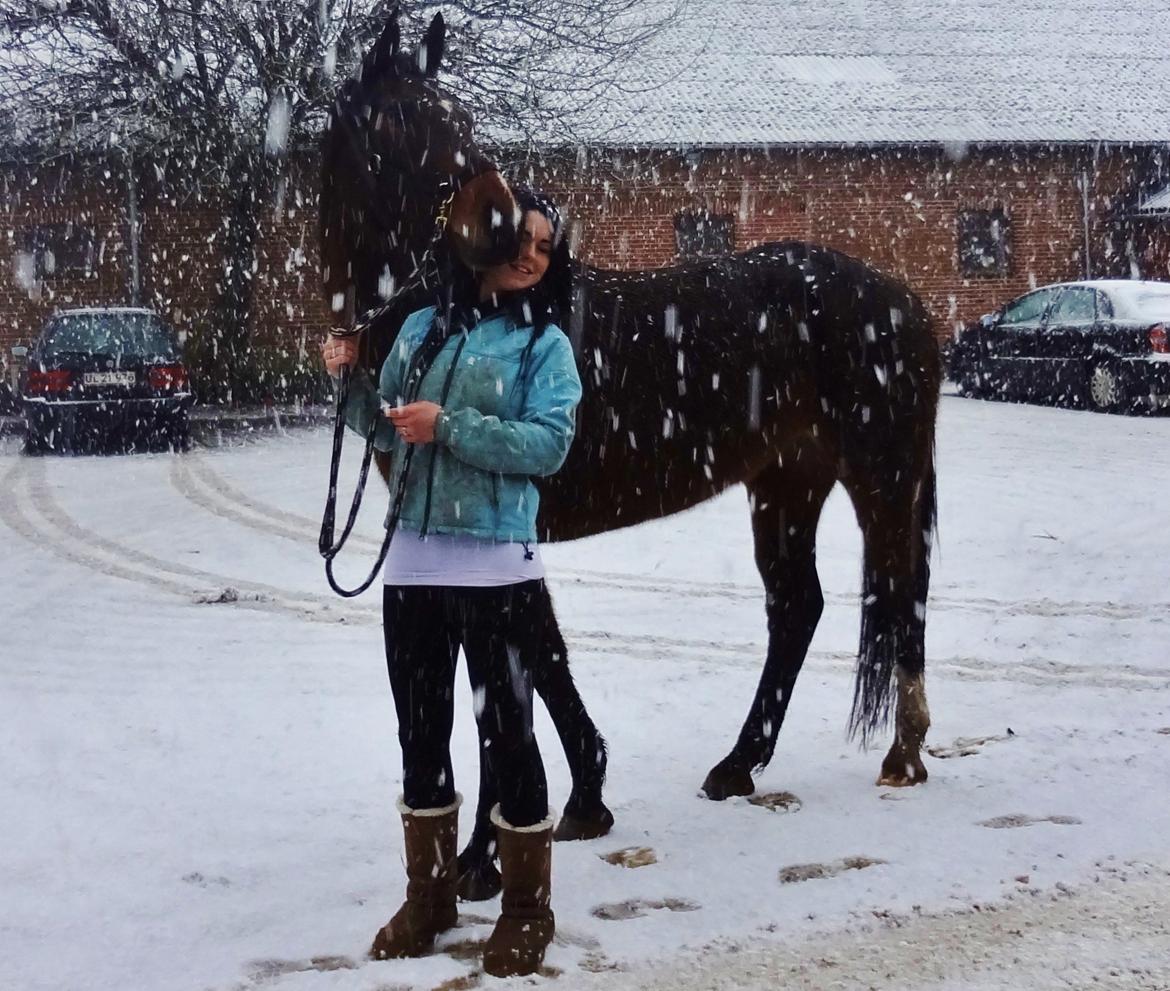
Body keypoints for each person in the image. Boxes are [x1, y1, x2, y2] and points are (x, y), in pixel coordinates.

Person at [321, 187, 581, 978]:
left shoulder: (544, 348)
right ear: (481, 242)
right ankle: (430, 897)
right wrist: (353, 383)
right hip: (413, 565)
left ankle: (526, 909)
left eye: (545, 245)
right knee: (421, 734)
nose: (531, 253)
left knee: (509, 735)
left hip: (499, 566)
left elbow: (548, 446)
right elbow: (386, 424)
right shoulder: (420, 328)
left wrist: (452, 427)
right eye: (520, 239)